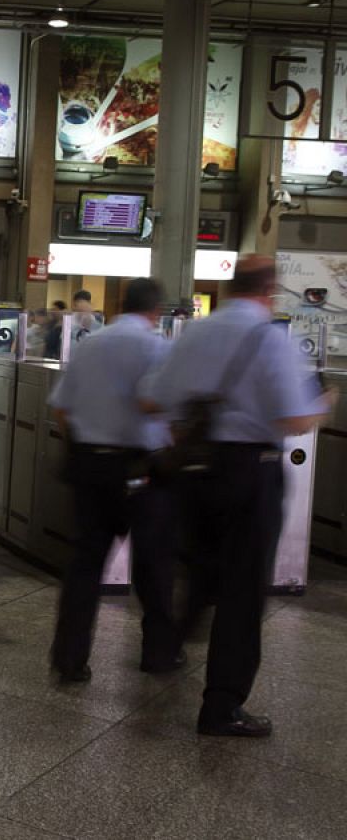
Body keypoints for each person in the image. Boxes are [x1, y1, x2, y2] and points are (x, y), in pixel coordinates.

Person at [146, 256, 334, 737]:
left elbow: (154, 399)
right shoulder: (269, 337)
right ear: (269, 290)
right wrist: (325, 403)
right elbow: (294, 417)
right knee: (242, 593)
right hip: (250, 472)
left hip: (196, 470)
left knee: (203, 568)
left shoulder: (195, 334)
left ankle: (170, 640)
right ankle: (222, 706)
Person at [47, 278, 181, 684]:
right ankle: (158, 654)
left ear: (123, 304)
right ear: (156, 311)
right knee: (154, 565)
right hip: (141, 469)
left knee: (85, 565)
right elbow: (167, 408)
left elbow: (62, 410)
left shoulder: (90, 345)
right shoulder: (159, 347)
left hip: (91, 466)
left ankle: (70, 659)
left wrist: (83, 450)